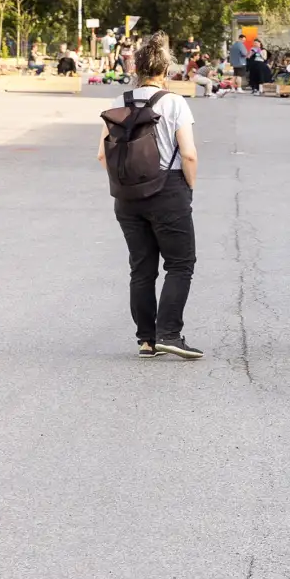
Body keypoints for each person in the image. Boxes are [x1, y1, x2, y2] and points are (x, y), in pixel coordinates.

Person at [101, 34, 201, 359]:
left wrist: (124, 183)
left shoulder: (119, 101)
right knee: (180, 263)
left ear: (135, 66)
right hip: (167, 190)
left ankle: (146, 340)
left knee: (141, 268)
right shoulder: (174, 103)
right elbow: (188, 155)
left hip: (127, 196)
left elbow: (103, 154)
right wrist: (188, 187)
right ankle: (169, 333)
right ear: (166, 68)